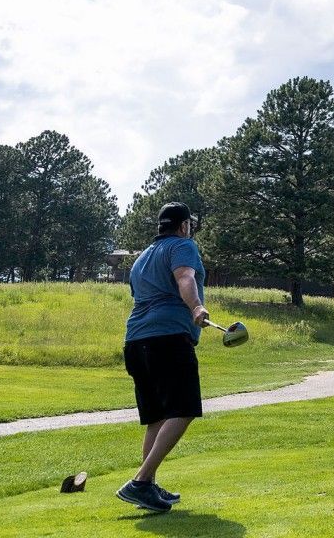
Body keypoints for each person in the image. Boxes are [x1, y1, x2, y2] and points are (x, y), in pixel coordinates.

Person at [116, 202, 210, 513]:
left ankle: (148, 488)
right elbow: (185, 278)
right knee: (183, 408)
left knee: (157, 416)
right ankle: (141, 482)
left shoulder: (141, 258)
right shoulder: (183, 246)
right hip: (167, 338)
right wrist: (196, 308)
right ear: (184, 226)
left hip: (136, 343)